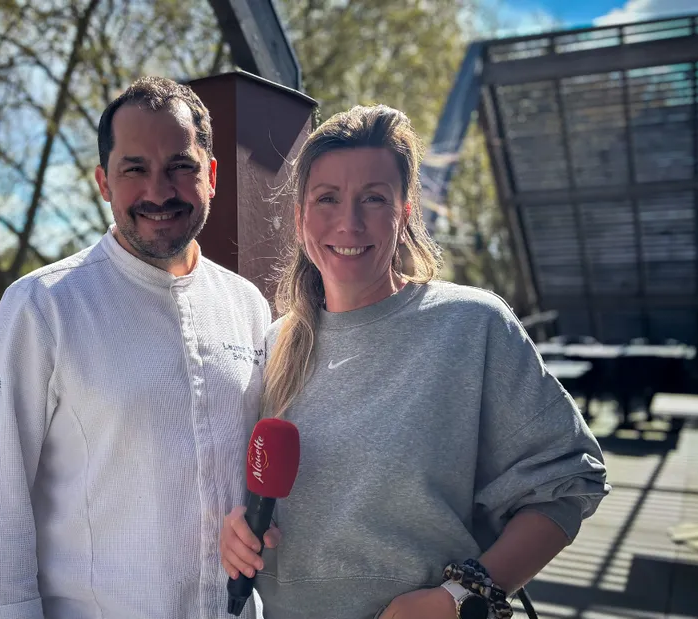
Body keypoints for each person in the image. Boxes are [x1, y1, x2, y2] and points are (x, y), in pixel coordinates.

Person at [219, 104, 610, 619]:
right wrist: (238, 531)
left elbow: (568, 482)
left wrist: (457, 601)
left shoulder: (471, 325)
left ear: (405, 212)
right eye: (327, 198)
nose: (349, 221)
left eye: (374, 199)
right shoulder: (276, 344)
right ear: (299, 218)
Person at [0, 76, 273, 619]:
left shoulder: (247, 305)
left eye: (181, 166)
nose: (159, 190)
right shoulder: (42, 307)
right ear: (103, 181)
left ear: (212, 176)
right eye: (134, 169)